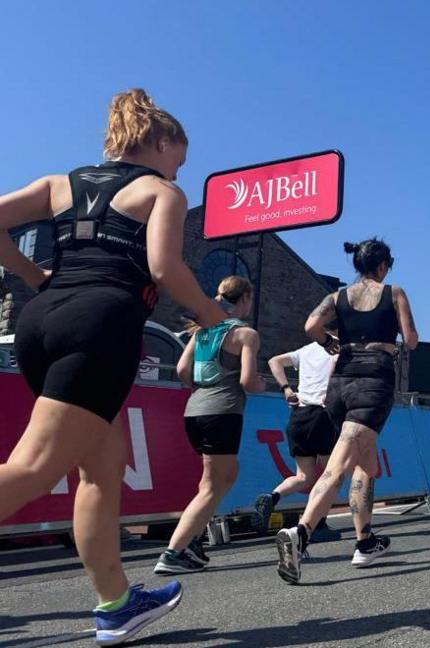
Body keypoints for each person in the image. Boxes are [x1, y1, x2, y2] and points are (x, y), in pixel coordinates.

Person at [0, 89, 227, 645]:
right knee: (34, 466)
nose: (181, 168)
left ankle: (116, 605)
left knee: (101, 469)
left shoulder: (59, 184)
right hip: (100, 323)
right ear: (163, 141)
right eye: (181, 156)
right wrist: (215, 317)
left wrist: (33, 276)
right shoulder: (161, 192)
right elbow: (164, 267)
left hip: (41, 321)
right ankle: (116, 602)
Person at [275, 239, 418, 584]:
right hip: (374, 380)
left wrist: (330, 343)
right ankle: (301, 533)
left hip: (340, 381)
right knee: (338, 466)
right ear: (383, 265)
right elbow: (412, 340)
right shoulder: (394, 292)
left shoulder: (337, 297)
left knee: (365, 466)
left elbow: (311, 326)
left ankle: (365, 541)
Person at [155, 277, 263, 574]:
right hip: (223, 412)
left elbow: (181, 370)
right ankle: (174, 551)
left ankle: (191, 541)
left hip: (195, 411)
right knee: (213, 485)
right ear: (244, 299)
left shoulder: (201, 333)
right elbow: (248, 382)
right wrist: (261, 383)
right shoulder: (245, 334)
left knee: (222, 477)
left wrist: (202, 388)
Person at [251, 333, 340, 538]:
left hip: (299, 416)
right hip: (322, 414)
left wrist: (286, 389)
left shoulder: (307, 349)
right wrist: (329, 391)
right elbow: (335, 367)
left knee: (304, 476)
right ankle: (317, 524)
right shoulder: (340, 349)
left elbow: (275, 361)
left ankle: (272, 496)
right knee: (330, 474)